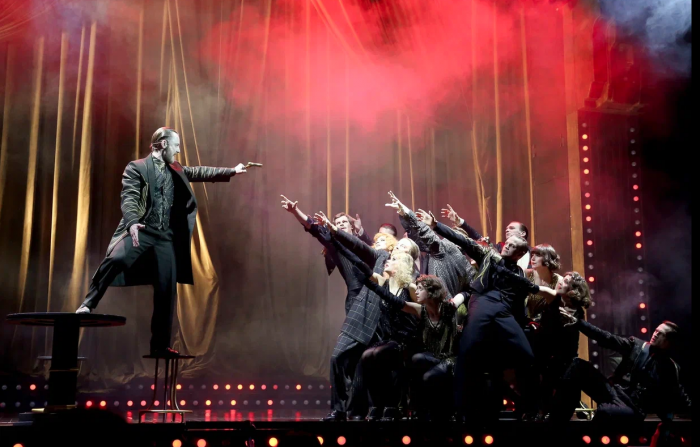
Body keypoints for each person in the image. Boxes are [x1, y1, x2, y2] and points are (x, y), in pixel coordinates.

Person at [75, 127, 248, 357]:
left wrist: (232, 171)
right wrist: (132, 222)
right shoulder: (137, 167)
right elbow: (129, 197)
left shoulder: (175, 168)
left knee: (167, 288)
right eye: (176, 145)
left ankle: (159, 346)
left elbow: (199, 171)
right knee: (117, 258)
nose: (178, 150)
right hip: (142, 229)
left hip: (165, 237)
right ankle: (88, 303)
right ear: (164, 144)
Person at [422, 211, 557, 422]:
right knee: (467, 353)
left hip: (503, 310)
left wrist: (525, 323)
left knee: (526, 355)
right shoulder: (490, 256)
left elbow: (518, 304)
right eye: (507, 244)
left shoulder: (520, 274)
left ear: (521, 253)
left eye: (512, 246)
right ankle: (462, 411)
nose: (507, 246)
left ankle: (531, 409)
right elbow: (465, 242)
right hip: (483, 303)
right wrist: (437, 225)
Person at [280, 196, 381, 421]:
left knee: (369, 359)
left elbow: (372, 251)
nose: (340, 225)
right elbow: (313, 228)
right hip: (355, 304)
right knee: (340, 357)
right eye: (337, 223)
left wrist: (361, 232)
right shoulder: (335, 245)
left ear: (352, 228)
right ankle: (341, 409)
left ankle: (369, 409)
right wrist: (296, 212)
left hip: (376, 304)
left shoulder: (365, 245)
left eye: (344, 222)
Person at [315, 211, 420, 421]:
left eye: (401, 247)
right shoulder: (383, 268)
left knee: (376, 363)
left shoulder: (412, 280)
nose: (396, 250)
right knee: (361, 360)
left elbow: (418, 310)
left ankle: (388, 407)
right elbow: (361, 259)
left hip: (402, 336)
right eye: (396, 248)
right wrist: (333, 237)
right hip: (373, 322)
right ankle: (365, 409)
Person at [551, 313, 691, 423]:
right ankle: (556, 423)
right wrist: (579, 323)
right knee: (578, 365)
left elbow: (677, 394)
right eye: (656, 330)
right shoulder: (637, 346)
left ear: (669, 342)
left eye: (661, 334)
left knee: (605, 412)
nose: (655, 334)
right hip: (613, 392)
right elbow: (607, 338)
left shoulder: (670, 368)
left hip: (631, 407)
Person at [385, 192, 476, 300]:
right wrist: (459, 299)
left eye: (450, 235)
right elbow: (473, 289)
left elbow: (427, 235)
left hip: (437, 305)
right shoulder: (466, 266)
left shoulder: (446, 249)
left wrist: (406, 212)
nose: (445, 237)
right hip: (445, 306)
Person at [441, 204, 531, 270]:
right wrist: (460, 222)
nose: (507, 230)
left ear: (523, 233)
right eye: (506, 228)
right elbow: (478, 238)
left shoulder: (534, 253)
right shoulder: (499, 247)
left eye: (511, 228)